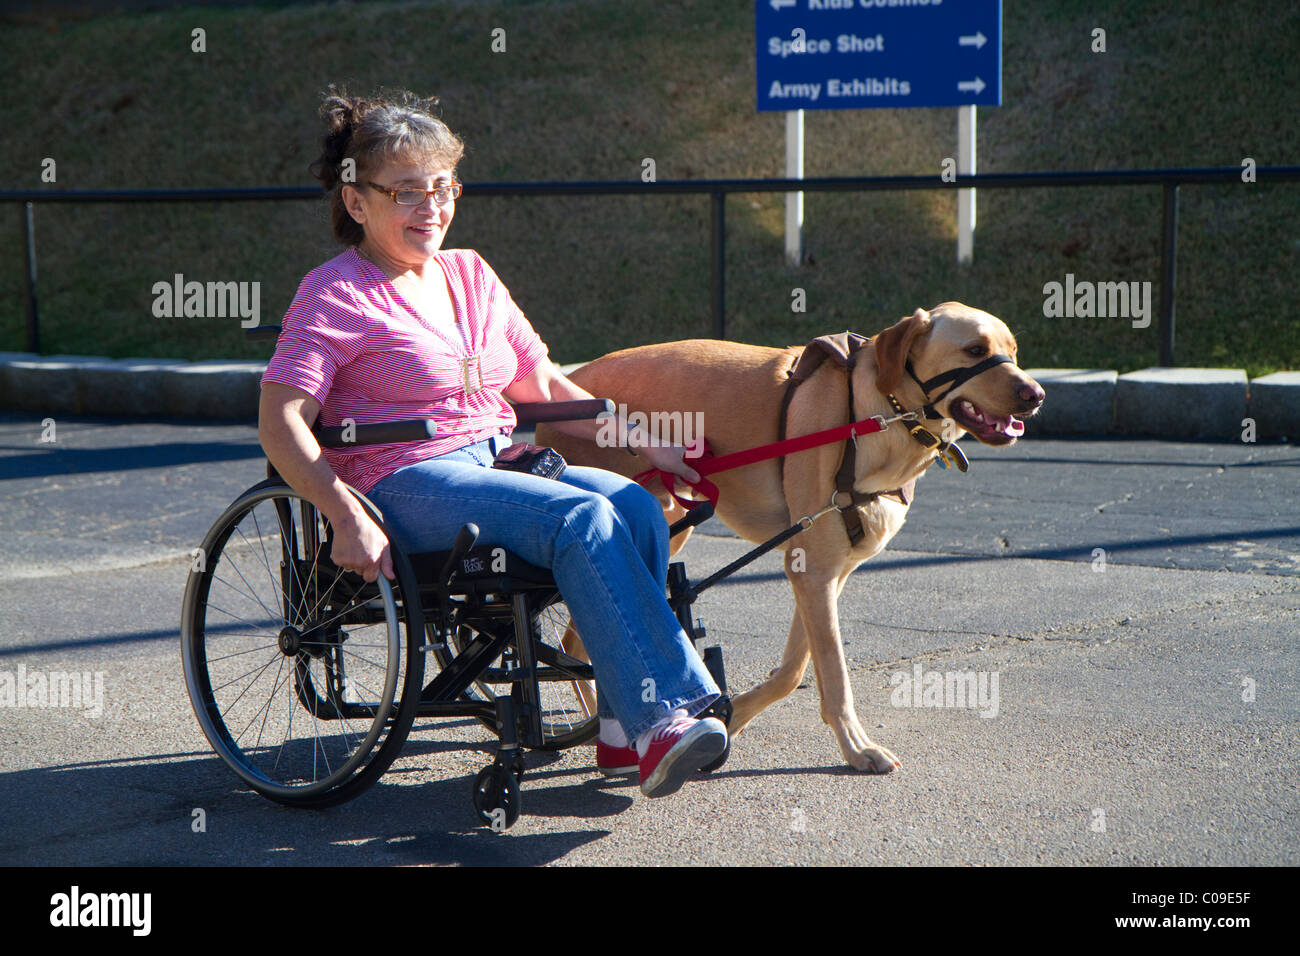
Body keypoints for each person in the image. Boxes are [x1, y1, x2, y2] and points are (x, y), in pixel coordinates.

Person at [257, 88, 726, 799]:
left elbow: (543, 382)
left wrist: (646, 442)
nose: (432, 207)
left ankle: (621, 730)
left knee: (630, 505)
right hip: (399, 482)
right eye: (407, 192)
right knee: (581, 517)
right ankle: (664, 712)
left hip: (488, 463)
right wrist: (342, 513)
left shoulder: (472, 274)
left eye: (442, 187)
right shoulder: (335, 294)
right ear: (358, 203)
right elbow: (280, 420)